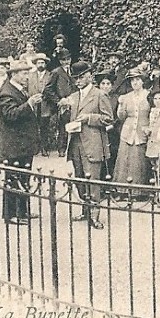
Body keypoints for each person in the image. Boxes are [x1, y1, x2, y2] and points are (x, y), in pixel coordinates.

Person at [59, 61, 114, 228]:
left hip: (93, 143)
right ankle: (85, 210)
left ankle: (95, 216)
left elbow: (108, 119)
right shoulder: (74, 96)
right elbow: (67, 120)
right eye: (76, 78)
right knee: (80, 179)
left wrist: (89, 118)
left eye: (81, 77)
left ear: (90, 76)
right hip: (75, 143)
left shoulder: (99, 95)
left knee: (93, 180)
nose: (78, 81)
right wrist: (64, 110)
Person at [0, 59, 42, 224]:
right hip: (14, 144)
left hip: (23, 143)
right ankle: (11, 215)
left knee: (24, 178)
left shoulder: (19, 90)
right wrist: (29, 104)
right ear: (14, 74)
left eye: (27, 73)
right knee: (13, 178)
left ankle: (23, 211)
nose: (27, 76)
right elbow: (10, 115)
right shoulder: (7, 92)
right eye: (24, 73)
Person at [113, 69, 152, 193]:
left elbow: (153, 113)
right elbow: (121, 117)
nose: (135, 83)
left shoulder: (148, 95)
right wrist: (120, 105)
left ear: (142, 81)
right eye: (132, 80)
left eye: (137, 80)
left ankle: (139, 192)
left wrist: (149, 127)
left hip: (142, 130)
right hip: (128, 130)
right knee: (124, 160)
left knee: (139, 161)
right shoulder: (126, 97)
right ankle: (122, 191)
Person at [43, 49, 78, 155]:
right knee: (63, 126)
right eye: (64, 60)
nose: (66, 62)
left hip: (74, 101)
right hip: (62, 103)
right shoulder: (56, 72)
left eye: (68, 59)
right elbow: (47, 89)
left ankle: (71, 149)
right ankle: (61, 149)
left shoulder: (73, 71)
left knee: (73, 124)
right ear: (60, 61)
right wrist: (58, 101)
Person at [25, 52, 54, 156]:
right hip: (33, 104)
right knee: (32, 126)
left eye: (42, 63)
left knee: (44, 127)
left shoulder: (50, 75)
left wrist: (44, 97)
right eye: (38, 63)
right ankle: (34, 148)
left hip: (45, 104)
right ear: (35, 64)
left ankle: (44, 148)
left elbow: (52, 89)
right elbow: (27, 88)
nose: (40, 65)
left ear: (45, 64)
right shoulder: (30, 75)